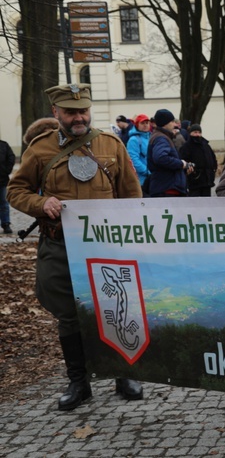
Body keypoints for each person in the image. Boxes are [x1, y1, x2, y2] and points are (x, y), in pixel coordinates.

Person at [6, 83, 144, 410]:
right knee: (69, 315)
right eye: (71, 111)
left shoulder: (110, 145)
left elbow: (131, 195)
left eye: (83, 110)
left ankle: (123, 373)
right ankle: (78, 382)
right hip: (59, 246)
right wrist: (42, 204)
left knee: (113, 311)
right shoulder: (40, 149)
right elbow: (16, 191)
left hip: (106, 246)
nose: (79, 117)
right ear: (56, 113)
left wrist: (130, 238)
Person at [147, 109, 191, 197]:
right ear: (165, 123)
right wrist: (181, 164)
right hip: (167, 189)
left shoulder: (161, 136)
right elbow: (161, 158)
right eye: (172, 121)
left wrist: (183, 169)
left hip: (165, 186)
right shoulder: (161, 138)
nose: (175, 124)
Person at [179, 124, 218, 197]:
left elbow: (213, 158)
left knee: (206, 204)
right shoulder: (186, 146)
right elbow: (183, 160)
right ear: (190, 133)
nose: (197, 134)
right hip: (194, 181)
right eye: (195, 132)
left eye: (199, 132)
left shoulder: (206, 145)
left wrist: (213, 169)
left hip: (207, 181)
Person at [126, 113, 151, 188]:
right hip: (141, 180)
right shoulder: (133, 140)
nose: (145, 125)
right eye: (142, 123)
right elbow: (133, 159)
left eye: (147, 123)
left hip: (151, 178)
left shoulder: (150, 137)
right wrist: (147, 172)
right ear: (137, 125)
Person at [0, 135, 15, 234]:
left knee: (3, 203)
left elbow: (11, 157)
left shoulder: (3, 145)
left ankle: (6, 224)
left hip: (1, 179)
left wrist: (6, 171)